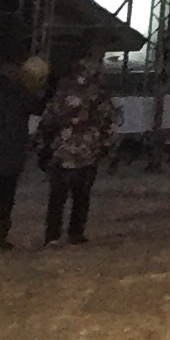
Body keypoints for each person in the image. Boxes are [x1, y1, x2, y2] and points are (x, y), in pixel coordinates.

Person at [34, 52, 118, 247]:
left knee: (57, 197)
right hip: (88, 152)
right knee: (82, 196)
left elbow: (47, 120)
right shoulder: (101, 97)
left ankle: (53, 235)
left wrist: (41, 147)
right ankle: (76, 232)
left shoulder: (62, 94)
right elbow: (109, 125)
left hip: (62, 151)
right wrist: (108, 149)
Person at [0, 56, 38, 250]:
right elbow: (38, 106)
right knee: (5, 200)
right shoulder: (22, 93)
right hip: (11, 154)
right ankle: (0, 236)